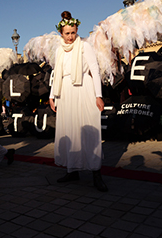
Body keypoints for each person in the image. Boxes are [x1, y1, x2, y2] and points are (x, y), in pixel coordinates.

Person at [49, 11, 108, 192]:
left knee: (89, 130)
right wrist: (52, 95)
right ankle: (72, 169)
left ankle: (96, 173)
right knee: (70, 129)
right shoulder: (59, 49)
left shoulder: (84, 46)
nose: (70, 37)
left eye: (73, 32)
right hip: (65, 91)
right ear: (61, 33)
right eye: (67, 33)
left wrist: (98, 95)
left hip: (84, 87)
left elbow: (95, 70)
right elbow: (56, 74)